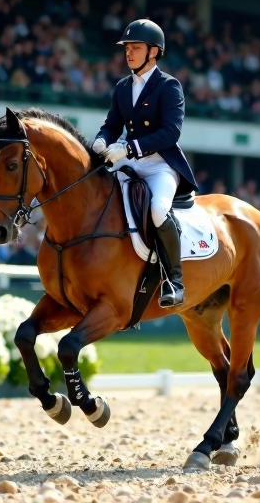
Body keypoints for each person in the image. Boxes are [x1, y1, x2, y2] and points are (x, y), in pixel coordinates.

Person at [92, 19, 199, 308]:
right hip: (129, 162)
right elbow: (111, 124)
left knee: (157, 210)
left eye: (135, 47)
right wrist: (101, 141)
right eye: (127, 47)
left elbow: (170, 132)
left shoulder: (169, 86)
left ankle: (174, 281)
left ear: (153, 52)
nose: (129, 53)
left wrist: (129, 147)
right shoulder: (123, 87)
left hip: (161, 165)